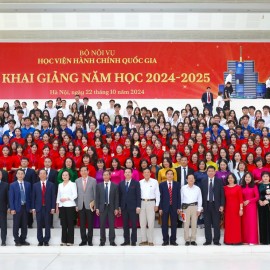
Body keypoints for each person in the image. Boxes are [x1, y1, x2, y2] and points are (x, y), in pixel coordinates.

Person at [201, 166, 224, 246]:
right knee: (207, 224)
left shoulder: (219, 181)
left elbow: (222, 194)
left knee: (216, 223)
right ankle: (208, 240)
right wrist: (201, 206)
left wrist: (222, 205)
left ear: (215, 172)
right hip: (206, 204)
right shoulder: (203, 181)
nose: (210, 172)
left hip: (216, 204)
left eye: (212, 171)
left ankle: (216, 240)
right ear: (207, 172)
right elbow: (201, 195)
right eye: (209, 171)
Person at [32, 169, 56, 246]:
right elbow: (33, 197)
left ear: (47, 175)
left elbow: (53, 197)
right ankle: (40, 240)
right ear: (38, 175)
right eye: (41, 173)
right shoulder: (35, 185)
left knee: (47, 224)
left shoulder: (51, 185)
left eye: (44, 173)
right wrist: (33, 208)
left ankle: (46, 240)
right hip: (38, 208)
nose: (42, 175)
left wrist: (53, 207)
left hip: (48, 207)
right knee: (39, 225)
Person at [96, 170, 119, 246]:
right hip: (102, 207)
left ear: (110, 176)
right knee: (102, 225)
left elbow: (116, 198)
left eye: (107, 175)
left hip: (111, 207)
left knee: (112, 225)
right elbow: (97, 198)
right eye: (104, 175)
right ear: (102, 176)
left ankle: (112, 241)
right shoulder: (99, 186)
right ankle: (102, 241)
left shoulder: (114, 185)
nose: (105, 176)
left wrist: (116, 208)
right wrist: (97, 208)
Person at [119, 168, 141, 246]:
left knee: (134, 225)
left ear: (132, 174)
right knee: (125, 225)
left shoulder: (136, 183)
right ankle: (126, 240)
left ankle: (133, 241)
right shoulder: (121, 183)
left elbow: (138, 195)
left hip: (133, 207)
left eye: (129, 172)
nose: (127, 174)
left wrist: (138, 206)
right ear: (124, 174)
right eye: (126, 172)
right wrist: (119, 207)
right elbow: (120, 196)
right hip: (124, 207)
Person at [9, 169, 31, 246]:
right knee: (16, 225)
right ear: (16, 175)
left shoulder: (28, 184)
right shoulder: (12, 185)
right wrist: (12, 208)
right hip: (17, 208)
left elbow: (29, 197)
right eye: (19, 174)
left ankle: (23, 240)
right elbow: (11, 198)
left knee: (25, 225)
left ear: (24, 175)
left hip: (25, 207)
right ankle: (17, 240)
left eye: (22, 174)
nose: (20, 175)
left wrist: (30, 207)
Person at [75, 166, 96, 246]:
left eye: (85, 170)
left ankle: (90, 240)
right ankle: (83, 240)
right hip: (80, 205)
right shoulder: (77, 181)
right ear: (80, 172)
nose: (83, 172)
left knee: (90, 224)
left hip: (90, 205)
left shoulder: (93, 180)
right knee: (82, 224)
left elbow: (95, 193)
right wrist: (76, 205)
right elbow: (76, 194)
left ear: (88, 171)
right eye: (82, 170)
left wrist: (95, 205)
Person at [139, 167, 160, 246]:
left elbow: (157, 194)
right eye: (145, 172)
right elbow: (138, 195)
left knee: (151, 222)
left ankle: (150, 240)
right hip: (142, 202)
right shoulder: (140, 182)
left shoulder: (154, 182)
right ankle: (144, 240)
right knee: (142, 222)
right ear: (143, 174)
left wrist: (157, 204)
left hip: (151, 203)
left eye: (148, 172)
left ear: (150, 174)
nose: (147, 173)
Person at [159, 169, 181, 246]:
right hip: (164, 207)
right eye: (168, 174)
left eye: (171, 174)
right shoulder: (162, 184)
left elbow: (179, 196)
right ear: (166, 175)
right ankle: (165, 240)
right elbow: (160, 197)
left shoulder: (177, 184)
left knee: (174, 224)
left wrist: (179, 207)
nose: (170, 175)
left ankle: (173, 240)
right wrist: (160, 208)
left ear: (173, 175)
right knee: (164, 224)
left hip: (174, 207)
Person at [56, 170, 77, 246]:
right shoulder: (60, 185)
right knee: (63, 224)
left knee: (70, 224)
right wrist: (57, 206)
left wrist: (67, 199)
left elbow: (75, 195)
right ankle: (63, 240)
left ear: (69, 176)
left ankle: (70, 241)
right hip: (62, 206)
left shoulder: (72, 184)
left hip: (70, 205)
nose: (64, 176)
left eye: (66, 175)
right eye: (63, 175)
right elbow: (58, 196)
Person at [180, 174, 202, 246]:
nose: (191, 180)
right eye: (189, 178)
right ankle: (186, 239)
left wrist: (199, 209)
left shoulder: (197, 188)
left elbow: (200, 199)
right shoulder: (183, 188)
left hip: (194, 207)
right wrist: (180, 209)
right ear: (186, 180)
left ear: (194, 180)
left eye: (192, 178)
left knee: (194, 224)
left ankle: (193, 239)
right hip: (185, 208)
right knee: (185, 224)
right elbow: (181, 199)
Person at [223, 173, 243, 245]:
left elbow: (241, 199)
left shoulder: (238, 187)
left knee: (236, 225)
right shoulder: (224, 188)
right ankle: (228, 240)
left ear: (234, 179)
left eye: (231, 178)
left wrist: (241, 209)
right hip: (228, 209)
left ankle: (237, 240)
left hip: (236, 208)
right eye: (229, 178)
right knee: (228, 225)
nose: (230, 179)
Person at [241, 172, 259, 245]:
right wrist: (242, 201)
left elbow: (257, 197)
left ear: (251, 178)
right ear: (244, 178)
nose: (247, 178)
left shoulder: (254, 186)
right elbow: (239, 196)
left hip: (252, 207)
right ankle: (245, 240)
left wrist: (249, 201)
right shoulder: (241, 186)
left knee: (252, 223)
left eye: (249, 177)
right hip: (244, 207)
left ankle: (252, 240)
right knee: (244, 224)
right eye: (246, 177)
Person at [258, 171, 270, 244]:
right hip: (261, 206)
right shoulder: (260, 185)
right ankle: (263, 240)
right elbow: (258, 194)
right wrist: (259, 201)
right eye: (264, 176)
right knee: (262, 222)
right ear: (261, 177)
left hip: (268, 205)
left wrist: (268, 201)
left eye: (267, 176)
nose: (265, 178)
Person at [0, 171, 9, 246]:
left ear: (1, 176)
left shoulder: (6, 185)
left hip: (2, 208)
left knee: (3, 225)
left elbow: (8, 197)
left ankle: (3, 240)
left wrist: (9, 207)